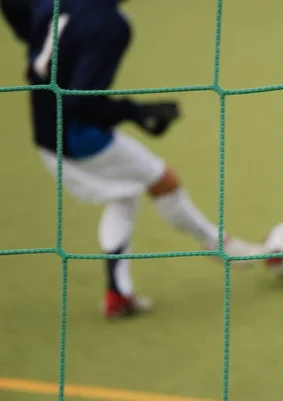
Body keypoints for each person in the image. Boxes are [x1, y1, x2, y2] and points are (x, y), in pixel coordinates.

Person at [1, 0, 265, 319]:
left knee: (124, 193)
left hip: (45, 131)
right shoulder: (110, 25)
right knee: (163, 181)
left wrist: (36, 42)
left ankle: (118, 294)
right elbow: (78, 103)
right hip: (76, 135)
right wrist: (137, 113)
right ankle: (222, 247)